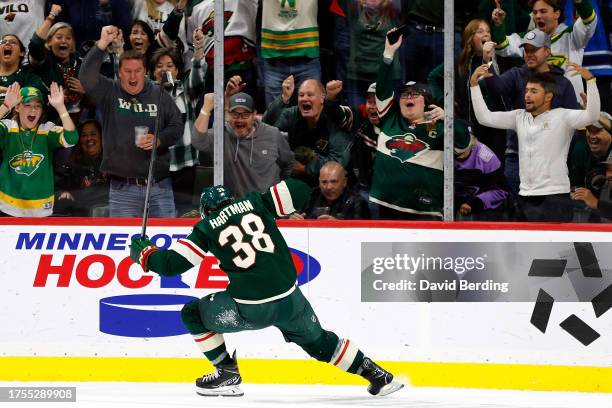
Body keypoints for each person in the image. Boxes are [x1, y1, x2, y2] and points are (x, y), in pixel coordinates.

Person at [129, 179, 404, 397]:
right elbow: (299, 190)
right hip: (291, 301)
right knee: (319, 342)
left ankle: (226, 372)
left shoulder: (205, 228)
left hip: (253, 309)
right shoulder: (254, 203)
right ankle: (376, 374)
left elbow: (169, 265)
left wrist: (144, 252)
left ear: (206, 211)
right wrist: (276, 192)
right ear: (232, 199)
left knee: (192, 313)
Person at [470, 64, 600, 222]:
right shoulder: (519, 117)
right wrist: (474, 86)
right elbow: (485, 118)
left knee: (556, 246)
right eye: (526, 91)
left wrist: (591, 82)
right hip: (525, 196)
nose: (527, 96)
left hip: (555, 195)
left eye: (533, 91)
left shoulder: (563, 116)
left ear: (548, 96)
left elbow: (592, 116)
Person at [79, 25, 184, 218]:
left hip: (159, 186)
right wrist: (101, 44)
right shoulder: (110, 91)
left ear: (145, 72)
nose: (133, 76)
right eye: (127, 71)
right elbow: (86, 77)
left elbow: (177, 126)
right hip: (122, 189)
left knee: (165, 245)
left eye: (137, 71)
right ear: (119, 73)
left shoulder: (159, 93)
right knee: (125, 246)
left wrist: (159, 139)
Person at [370, 28, 471, 220]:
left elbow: (464, 144)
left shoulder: (440, 128)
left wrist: (448, 119)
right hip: (384, 208)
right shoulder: (390, 119)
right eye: (405, 94)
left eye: (415, 94)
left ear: (427, 102)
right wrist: (388, 54)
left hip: (425, 213)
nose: (409, 97)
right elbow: (383, 87)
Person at [476, 29, 578, 195]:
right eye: (526, 50)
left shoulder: (563, 83)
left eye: (534, 50)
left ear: (547, 51)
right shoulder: (517, 74)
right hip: (517, 156)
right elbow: (497, 88)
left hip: (551, 160)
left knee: (549, 215)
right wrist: (487, 61)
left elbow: (573, 125)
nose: (529, 54)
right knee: (518, 214)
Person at [193, 83, 294, 198]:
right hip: (236, 209)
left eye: (245, 114)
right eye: (235, 114)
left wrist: (282, 195)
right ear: (228, 114)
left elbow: (288, 163)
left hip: (267, 208)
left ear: (254, 114)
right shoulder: (222, 135)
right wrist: (206, 109)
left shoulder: (272, 134)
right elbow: (198, 141)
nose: (240, 119)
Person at [491, 0, 598, 100]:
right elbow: (503, 47)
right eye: (535, 12)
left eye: (543, 11)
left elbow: (589, 22)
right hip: (541, 109)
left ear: (557, 13)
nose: (537, 16)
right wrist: (499, 25)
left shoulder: (571, 35)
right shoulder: (529, 38)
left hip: (570, 107)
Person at [0, 82, 77, 216]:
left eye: (37, 106)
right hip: (8, 206)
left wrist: (61, 108)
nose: (33, 110)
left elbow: (71, 139)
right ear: (17, 107)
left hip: (40, 207)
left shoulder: (46, 129)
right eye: (27, 105)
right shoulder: (8, 128)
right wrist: (6, 106)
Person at [263, 76, 353, 186]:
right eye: (301, 95)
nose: (304, 98)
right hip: (297, 180)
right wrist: (283, 99)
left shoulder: (334, 118)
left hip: (330, 184)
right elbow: (267, 129)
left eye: (310, 95)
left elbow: (338, 162)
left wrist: (305, 169)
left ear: (322, 99)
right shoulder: (292, 114)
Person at [28, 5, 85, 119]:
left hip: (80, 118)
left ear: (73, 44)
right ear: (49, 42)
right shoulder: (45, 61)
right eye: (59, 37)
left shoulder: (81, 62)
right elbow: (35, 44)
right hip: (50, 118)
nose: (64, 41)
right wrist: (51, 16)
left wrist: (85, 90)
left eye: (68, 38)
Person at [54, 119, 109, 217]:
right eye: (84, 135)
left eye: (93, 134)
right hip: (80, 218)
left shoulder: (111, 163)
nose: (89, 138)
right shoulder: (71, 165)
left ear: (101, 137)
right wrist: (62, 192)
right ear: (79, 140)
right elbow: (56, 186)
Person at [292, 161, 371, 220]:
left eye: (334, 182)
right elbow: (299, 215)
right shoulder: (314, 195)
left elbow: (362, 235)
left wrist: (338, 227)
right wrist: (294, 220)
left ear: (344, 182)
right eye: (324, 182)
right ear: (319, 182)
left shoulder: (357, 202)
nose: (328, 187)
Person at [0, 33, 46, 104]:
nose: (7, 43)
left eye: (13, 42)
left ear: (22, 53)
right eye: (3, 42)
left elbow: (39, 98)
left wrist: (6, 91)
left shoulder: (29, 76)